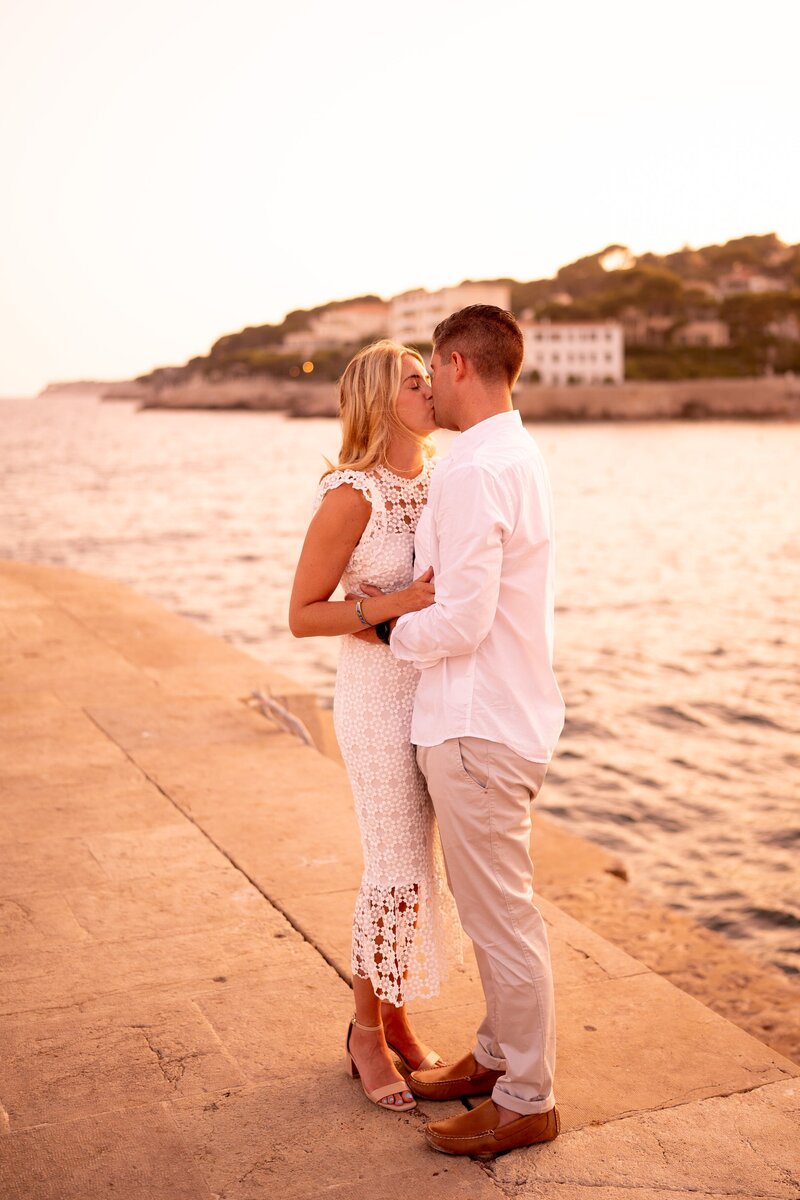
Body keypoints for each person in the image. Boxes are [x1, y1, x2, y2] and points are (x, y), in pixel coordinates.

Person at [386, 305, 566, 1158]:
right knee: (494, 909)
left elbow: (459, 620)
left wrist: (385, 631)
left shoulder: (470, 470)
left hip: (477, 723)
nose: (429, 380)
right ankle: (497, 1059)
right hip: (501, 715)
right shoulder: (518, 456)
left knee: (502, 920)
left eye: (430, 364)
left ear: (456, 363)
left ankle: (528, 1097)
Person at [289, 339, 462, 1113]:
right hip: (375, 702)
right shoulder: (352, 494)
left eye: (430, 378)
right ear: (380, 400)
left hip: (436, 693)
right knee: (393, 867)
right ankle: (366, 1031)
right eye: (417, 382)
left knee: (418, 871)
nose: (431, 390)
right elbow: (302, 615)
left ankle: (395, 1014)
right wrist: (391, 607)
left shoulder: (442, 480)